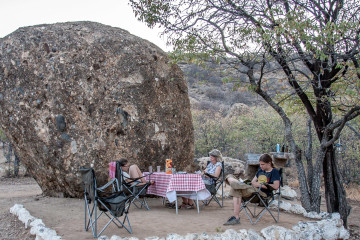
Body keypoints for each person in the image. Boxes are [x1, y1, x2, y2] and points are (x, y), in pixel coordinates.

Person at [223, 153, 280, 225]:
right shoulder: (260, 171)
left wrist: (260, 185)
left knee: (236, 188)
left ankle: (236, 217)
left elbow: (276, 186)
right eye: (260, 164)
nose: (261, 166)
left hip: (261, 194)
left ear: (269, 163)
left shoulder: (274, 172)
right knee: (230, 176)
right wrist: (250, 183)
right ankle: (237, 184)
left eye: (262, 164)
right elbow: (253, 181)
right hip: (252, 190)